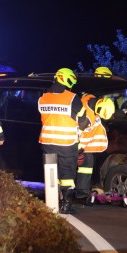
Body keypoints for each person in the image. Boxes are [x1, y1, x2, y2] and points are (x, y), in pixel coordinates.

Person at [38, 68, 88, 214]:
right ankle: (66, 204)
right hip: (67, 143)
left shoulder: (43, 97)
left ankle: (52, 203)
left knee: (51, 173)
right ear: (68, 79)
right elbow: (83, 120)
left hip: (47, 142)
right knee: (67, 174)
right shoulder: (72, 98)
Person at [75, 96, 115, 200]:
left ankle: (82, 191)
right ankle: (77, 193)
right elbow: (74, 135)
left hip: (84, 146)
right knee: (72, 169)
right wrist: (79, 151)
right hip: (75, 146)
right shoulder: (85, 118)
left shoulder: (93, 103)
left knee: (87, 164)